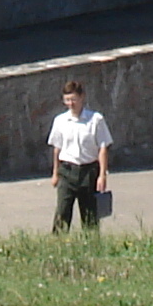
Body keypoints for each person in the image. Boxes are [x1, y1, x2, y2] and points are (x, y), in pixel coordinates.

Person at [48, 79, 112, 233]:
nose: (71, 103)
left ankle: (91, 248)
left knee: (90, 215)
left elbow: (102, 148)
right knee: (62, 212)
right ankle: (57, 246)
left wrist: (102, 175)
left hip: (88, 171)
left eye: (74, 99)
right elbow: (57, 148)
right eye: (67, 100)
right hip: (67, 171)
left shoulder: (95, 119)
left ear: (82, 97)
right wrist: (55, 173)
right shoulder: (60, 121)